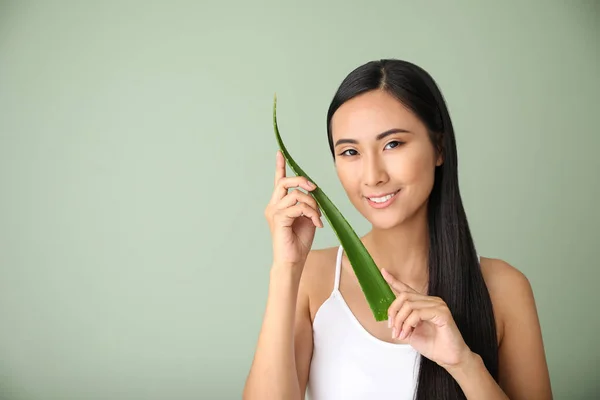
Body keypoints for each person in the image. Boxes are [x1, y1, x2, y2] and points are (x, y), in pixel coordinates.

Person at [243, 59, 553, 400]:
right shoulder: (312, 280)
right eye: (350, 151)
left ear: (439, 148)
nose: (373, 175)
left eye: (392, 144)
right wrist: (285, 270)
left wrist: (464, 364)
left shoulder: (504, 290)